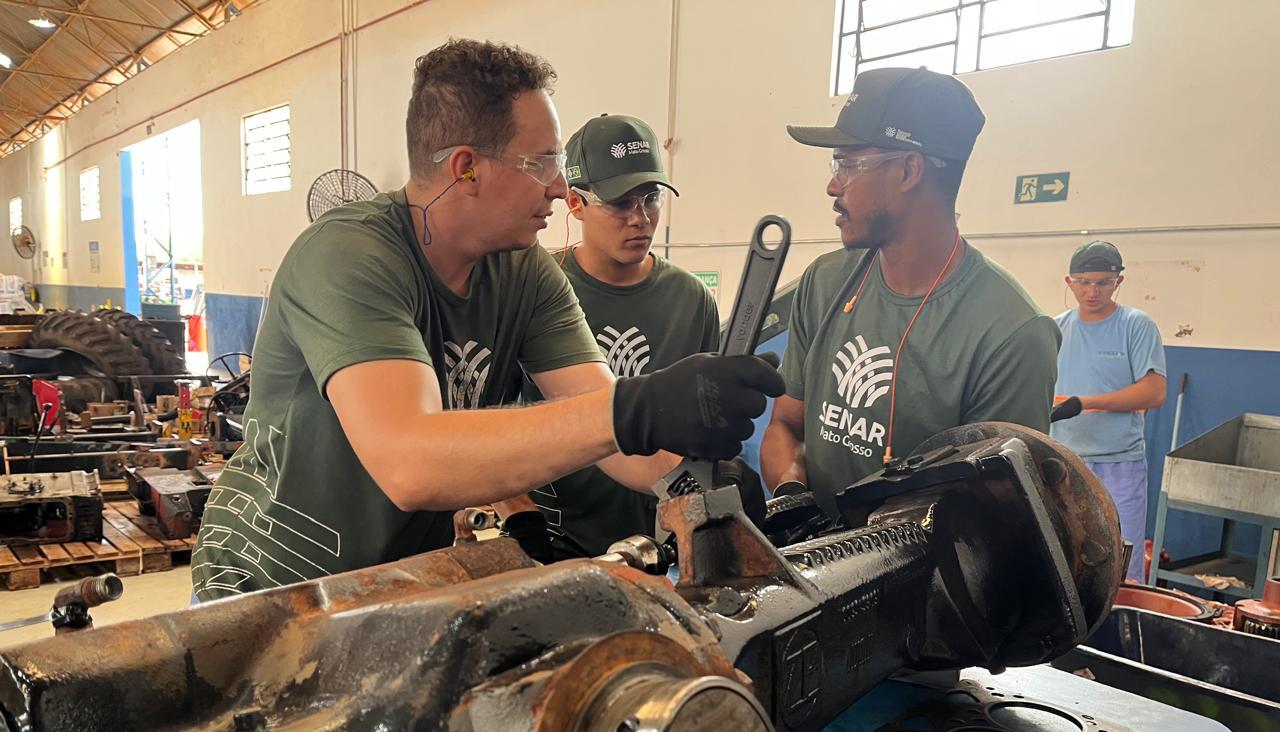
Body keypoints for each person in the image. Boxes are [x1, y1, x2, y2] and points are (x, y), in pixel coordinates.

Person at [191, 40, 780, 600]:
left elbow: (612, 437)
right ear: (467, 167)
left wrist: (696, 473)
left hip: (393, 583)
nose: (559, 184)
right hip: (267, 585)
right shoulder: (346, 256)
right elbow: (410, 461)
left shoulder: (524, 271)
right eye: (542, 161)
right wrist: (638, 408)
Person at [760, 66, 1060, 523]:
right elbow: (786, 425)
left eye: (848, 162)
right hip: (809, 569)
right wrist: (792, 498)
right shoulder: (824, 282)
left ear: (907, 170)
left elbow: (994, 514)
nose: (833, 185)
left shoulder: (1011, 332)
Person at [512, 114, 720, 560]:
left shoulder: (691, 299)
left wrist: (707, 488)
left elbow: (697, 426)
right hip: (554, 541)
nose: (640, 219)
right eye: (620, 203)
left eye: (650, 198)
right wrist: (519, 517)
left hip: (659, 542)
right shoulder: (533, 288)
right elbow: (490, 418)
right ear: (575, 202)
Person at [1050, 241, 1166, 581]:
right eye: (1083, 282)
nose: (1092, 291)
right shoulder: (1055, 329)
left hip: (1119, 464)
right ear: (1069, 282)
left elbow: (1154, 391)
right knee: (1063, 554)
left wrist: (1085, 403)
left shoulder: (1136, 325)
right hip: (1063, 463)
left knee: (1120, 558)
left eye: (1103, 281)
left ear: (1119, 281)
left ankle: (1120, 629)